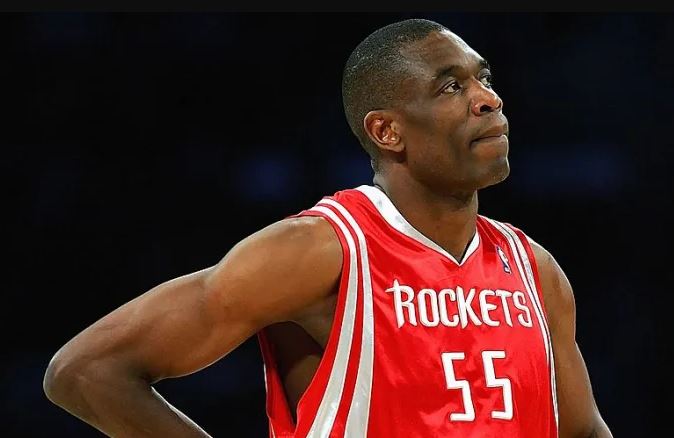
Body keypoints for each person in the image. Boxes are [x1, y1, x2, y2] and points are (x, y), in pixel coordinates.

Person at [43, 18, 612, 437]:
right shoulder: (323, 249)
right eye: (451, 87)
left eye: (483, 79)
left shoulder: (534, 269)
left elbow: (582, 430)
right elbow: (86, 370)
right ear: (387, 131)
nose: (489, 99)